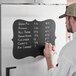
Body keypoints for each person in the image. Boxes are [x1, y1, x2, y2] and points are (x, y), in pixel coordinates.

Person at [44, 3, 76, 76]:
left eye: (66, 19)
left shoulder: (69, 51)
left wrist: (49, 58)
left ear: (72, 19)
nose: (65, 22)